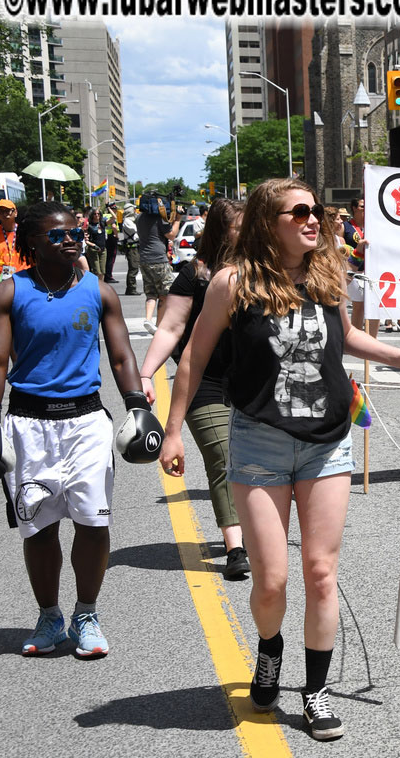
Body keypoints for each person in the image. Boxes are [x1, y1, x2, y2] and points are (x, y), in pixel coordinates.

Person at [158, 178, 400, 740]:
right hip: (258, 442)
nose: (315, 220)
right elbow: (193, 356)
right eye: (300, 213)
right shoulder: (230, 283)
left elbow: (347, 337)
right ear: (269, 222)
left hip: (327, 441)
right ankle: (269, 651)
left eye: (318, 211)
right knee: (270, 579)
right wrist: (172, 431)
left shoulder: (328, 276)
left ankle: (315, 691)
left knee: (319, 571)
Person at [0, 200, 157, 657]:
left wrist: (137, 407)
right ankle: (50, 617)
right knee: (38, 529)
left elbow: (121, 357)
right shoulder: (9, 292)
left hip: (86, 423)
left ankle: (86, 613)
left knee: (92, 524)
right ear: (34, 244)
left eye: (75, 232)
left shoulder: (99, 292)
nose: (72, 239)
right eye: (58, 235)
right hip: (28, 424)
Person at [139, 199, 251, 576]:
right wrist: (145, 374)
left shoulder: (263, 271)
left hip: (252, 383)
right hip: (203, 381)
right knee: (223, 457)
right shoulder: (195, 273)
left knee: (253, 460)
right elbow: (170, 328)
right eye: (240, 226)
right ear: (221, 230)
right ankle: (236, 548)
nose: (249, 230)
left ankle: (254, 529)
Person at [137, 194, 179, 333]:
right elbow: (171, 235)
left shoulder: (139, 218)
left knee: (151, 293)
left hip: (144, 259)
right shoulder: (160, 218)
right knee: (166, 292)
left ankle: (148, 320)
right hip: (159, 259)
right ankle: (159, 323)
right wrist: (178, 219)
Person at [341, 197, 382, 339]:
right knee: (359, 305)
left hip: (372, 272)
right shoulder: (345, 227)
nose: (365, 209)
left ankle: (372, 339)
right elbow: (340, 246)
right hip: (354, 271)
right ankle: (356, 337)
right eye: (362, 206)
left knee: (374, 305)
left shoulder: (374, 226)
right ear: (354, 208)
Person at [119, 202, 141, 296]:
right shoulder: (127, 221)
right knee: (133, 268)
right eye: (134, 209)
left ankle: (131, 288)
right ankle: (131, 289)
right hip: (131, 248)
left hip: (136, 247)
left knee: (135, 268)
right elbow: (136, 230)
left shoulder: (132, 219)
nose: (135, 211)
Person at [83, 208, 108, 279]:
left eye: (98, 214)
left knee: (103, 271)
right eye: (95, 214)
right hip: (94, 250)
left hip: (103, 249)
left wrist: (108, 208)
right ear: (92, 215)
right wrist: (93, 245)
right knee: (97, 271)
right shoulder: (89, 225)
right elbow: (86, 240)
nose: (97, 215)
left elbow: (114, 218)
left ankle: (101, 287)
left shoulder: (102, 224)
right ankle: (97, 287)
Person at [103, 203, 120, 282]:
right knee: (111, 258)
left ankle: (106, 275)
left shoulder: (104, 215)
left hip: (105, 238)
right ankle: (109, 276)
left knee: (106, 258)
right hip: (111, 237)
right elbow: (113, 227)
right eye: (115, 209)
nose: (116, 210)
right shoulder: (111, 217)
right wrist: (117, 235)